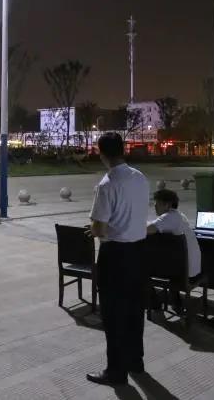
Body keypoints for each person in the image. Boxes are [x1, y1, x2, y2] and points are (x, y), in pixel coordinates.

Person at [86, 132, 149, 386]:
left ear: (101, 153)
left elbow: (99, 228)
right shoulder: (140, 177)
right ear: (123, 150)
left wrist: (93, 229)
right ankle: (135, 361)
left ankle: (116, 371)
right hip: (139, 252)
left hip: (115, 255)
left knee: (113, 315)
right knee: (135, 310)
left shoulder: (107, 184)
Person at [147, 189, 202, 310]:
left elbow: (149, 229)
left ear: (167, 204)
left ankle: (154, 303)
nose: (154, 206)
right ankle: (175, 301)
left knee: (139, 268)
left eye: (157, 203)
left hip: (183, 274)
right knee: (168, 258)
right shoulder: (179, 216)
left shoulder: (169, 217)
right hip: (188, 269)